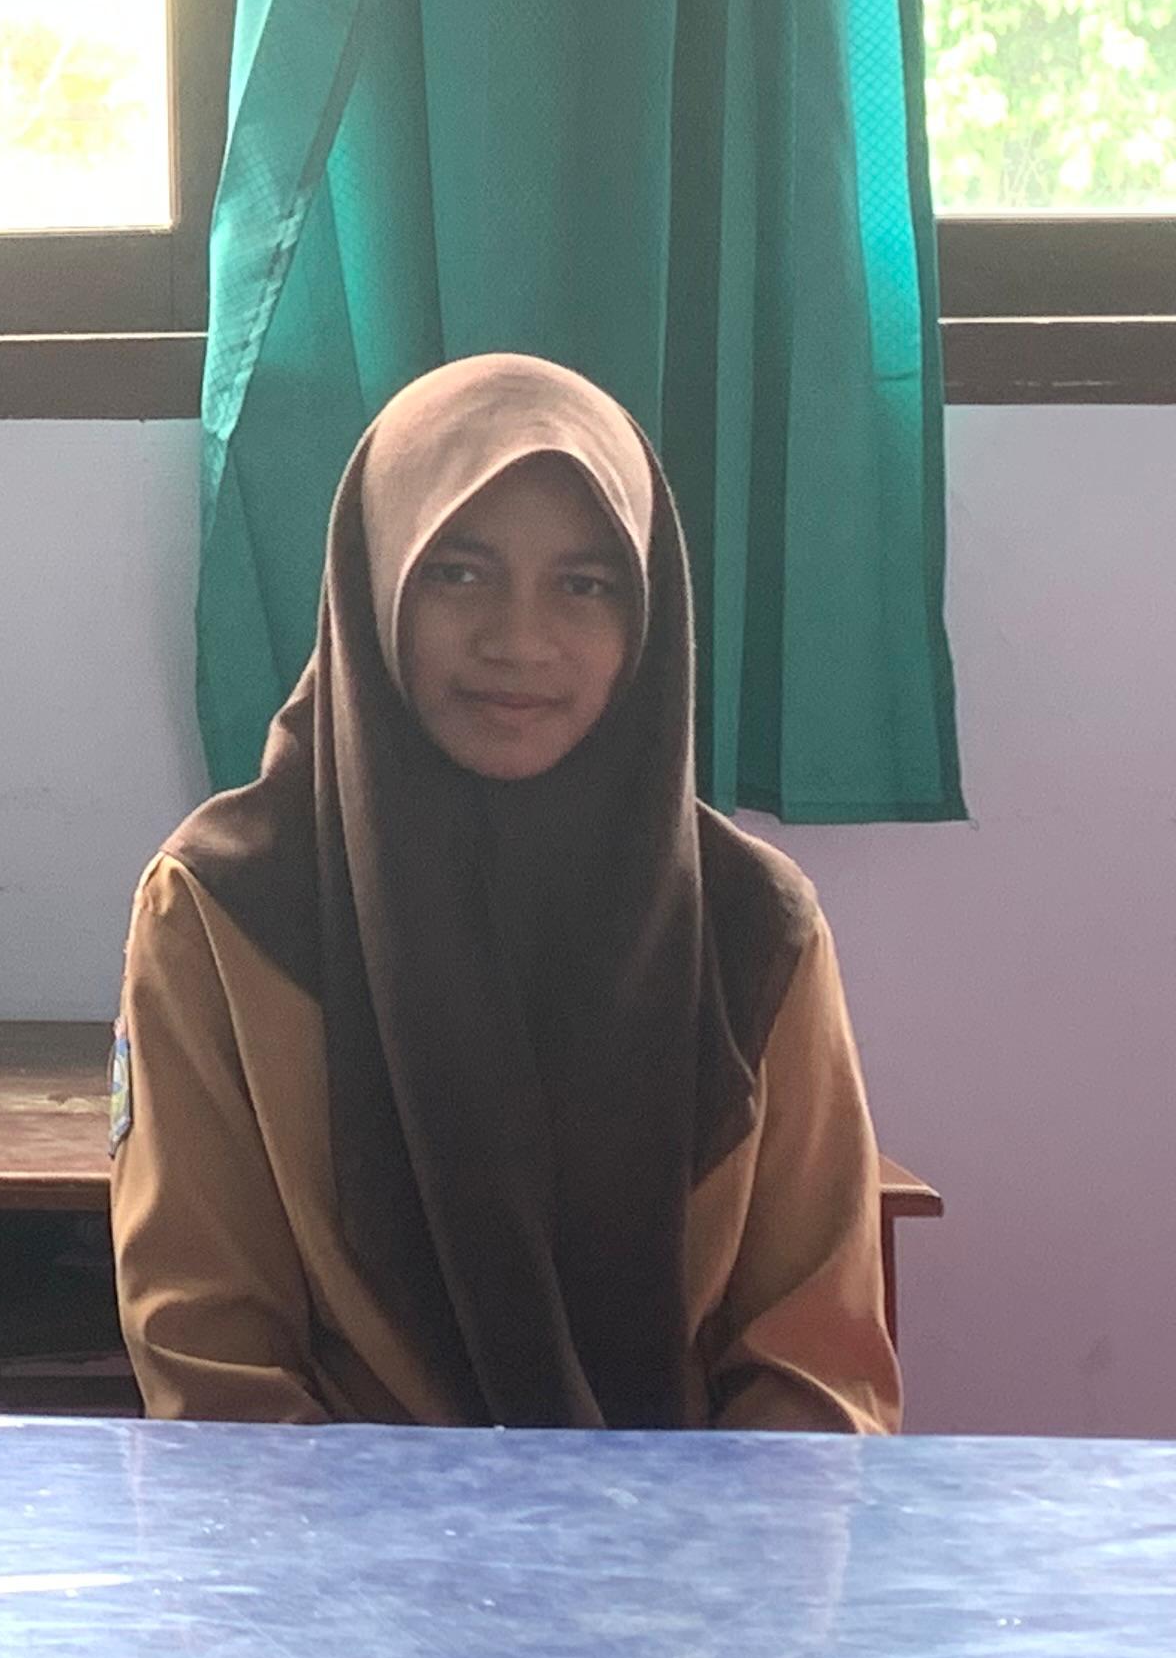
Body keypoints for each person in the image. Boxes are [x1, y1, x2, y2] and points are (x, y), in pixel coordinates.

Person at [113, 353, 897, 1430]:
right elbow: (215, 1367)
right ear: (375, 581)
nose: (519, 642)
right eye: (458, 573)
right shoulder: (226, 909)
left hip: (687, 1527)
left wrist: (691, 1540)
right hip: (332, 1525)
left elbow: (813, 1372)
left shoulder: (753, 929)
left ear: (649, 615)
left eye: (585, 585)